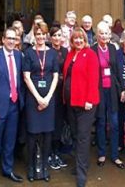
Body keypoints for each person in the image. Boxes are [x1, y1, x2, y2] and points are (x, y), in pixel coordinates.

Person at [0, 27, 24, 187]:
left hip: (14, 106)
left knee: (9, 141)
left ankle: (8, 169)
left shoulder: (18, 56)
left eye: (14, 39)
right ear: (3, 39)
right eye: (8, 38)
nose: (11, 41)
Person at [63, 27, 99, 187]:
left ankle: (81, 174)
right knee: (76, 136)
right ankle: (80, 164)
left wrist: (90, 99)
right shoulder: (70, 54)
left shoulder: (90, 54)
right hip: (71, 102)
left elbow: (93, 79)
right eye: (75, 38)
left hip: (86, 104)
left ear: (85, 40)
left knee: (83, 138)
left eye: (80, 38)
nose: (78, 41)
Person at [23, 22, 59, 182]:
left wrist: (48, 98)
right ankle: (31, 167)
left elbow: (56, 76)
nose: (40, 37)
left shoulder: (52, 53)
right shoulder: (29, 53)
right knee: (33, 134)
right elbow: (26, 76)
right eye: (37, 34)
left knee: (47, 134)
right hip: (33, 98)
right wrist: (38, 98)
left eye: (43, 34)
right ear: (34, 36)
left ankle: (44, 166)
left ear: (47, 36)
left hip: (49, 99)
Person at [92, 21, 125, 169]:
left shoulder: (113, 48)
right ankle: (101, 153)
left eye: (106, 33)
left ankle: (115, 156)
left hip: (112, 90)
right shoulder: (92, 50)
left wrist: (123, 89)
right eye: (101, 33)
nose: (104, 35)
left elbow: (118, 70)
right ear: (97, 35)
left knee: (114, 123)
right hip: (98, 90)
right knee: (100, 122)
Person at [48, 26, 68, 169]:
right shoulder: (48, 51)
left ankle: (57, 152)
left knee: (59, 123)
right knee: (51, 122)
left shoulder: (66, 51)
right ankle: (49, 153)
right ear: (50, 37)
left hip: (62, 91)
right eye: (54, 35)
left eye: (59, 35)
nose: (56, 38)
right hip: (50, 91)